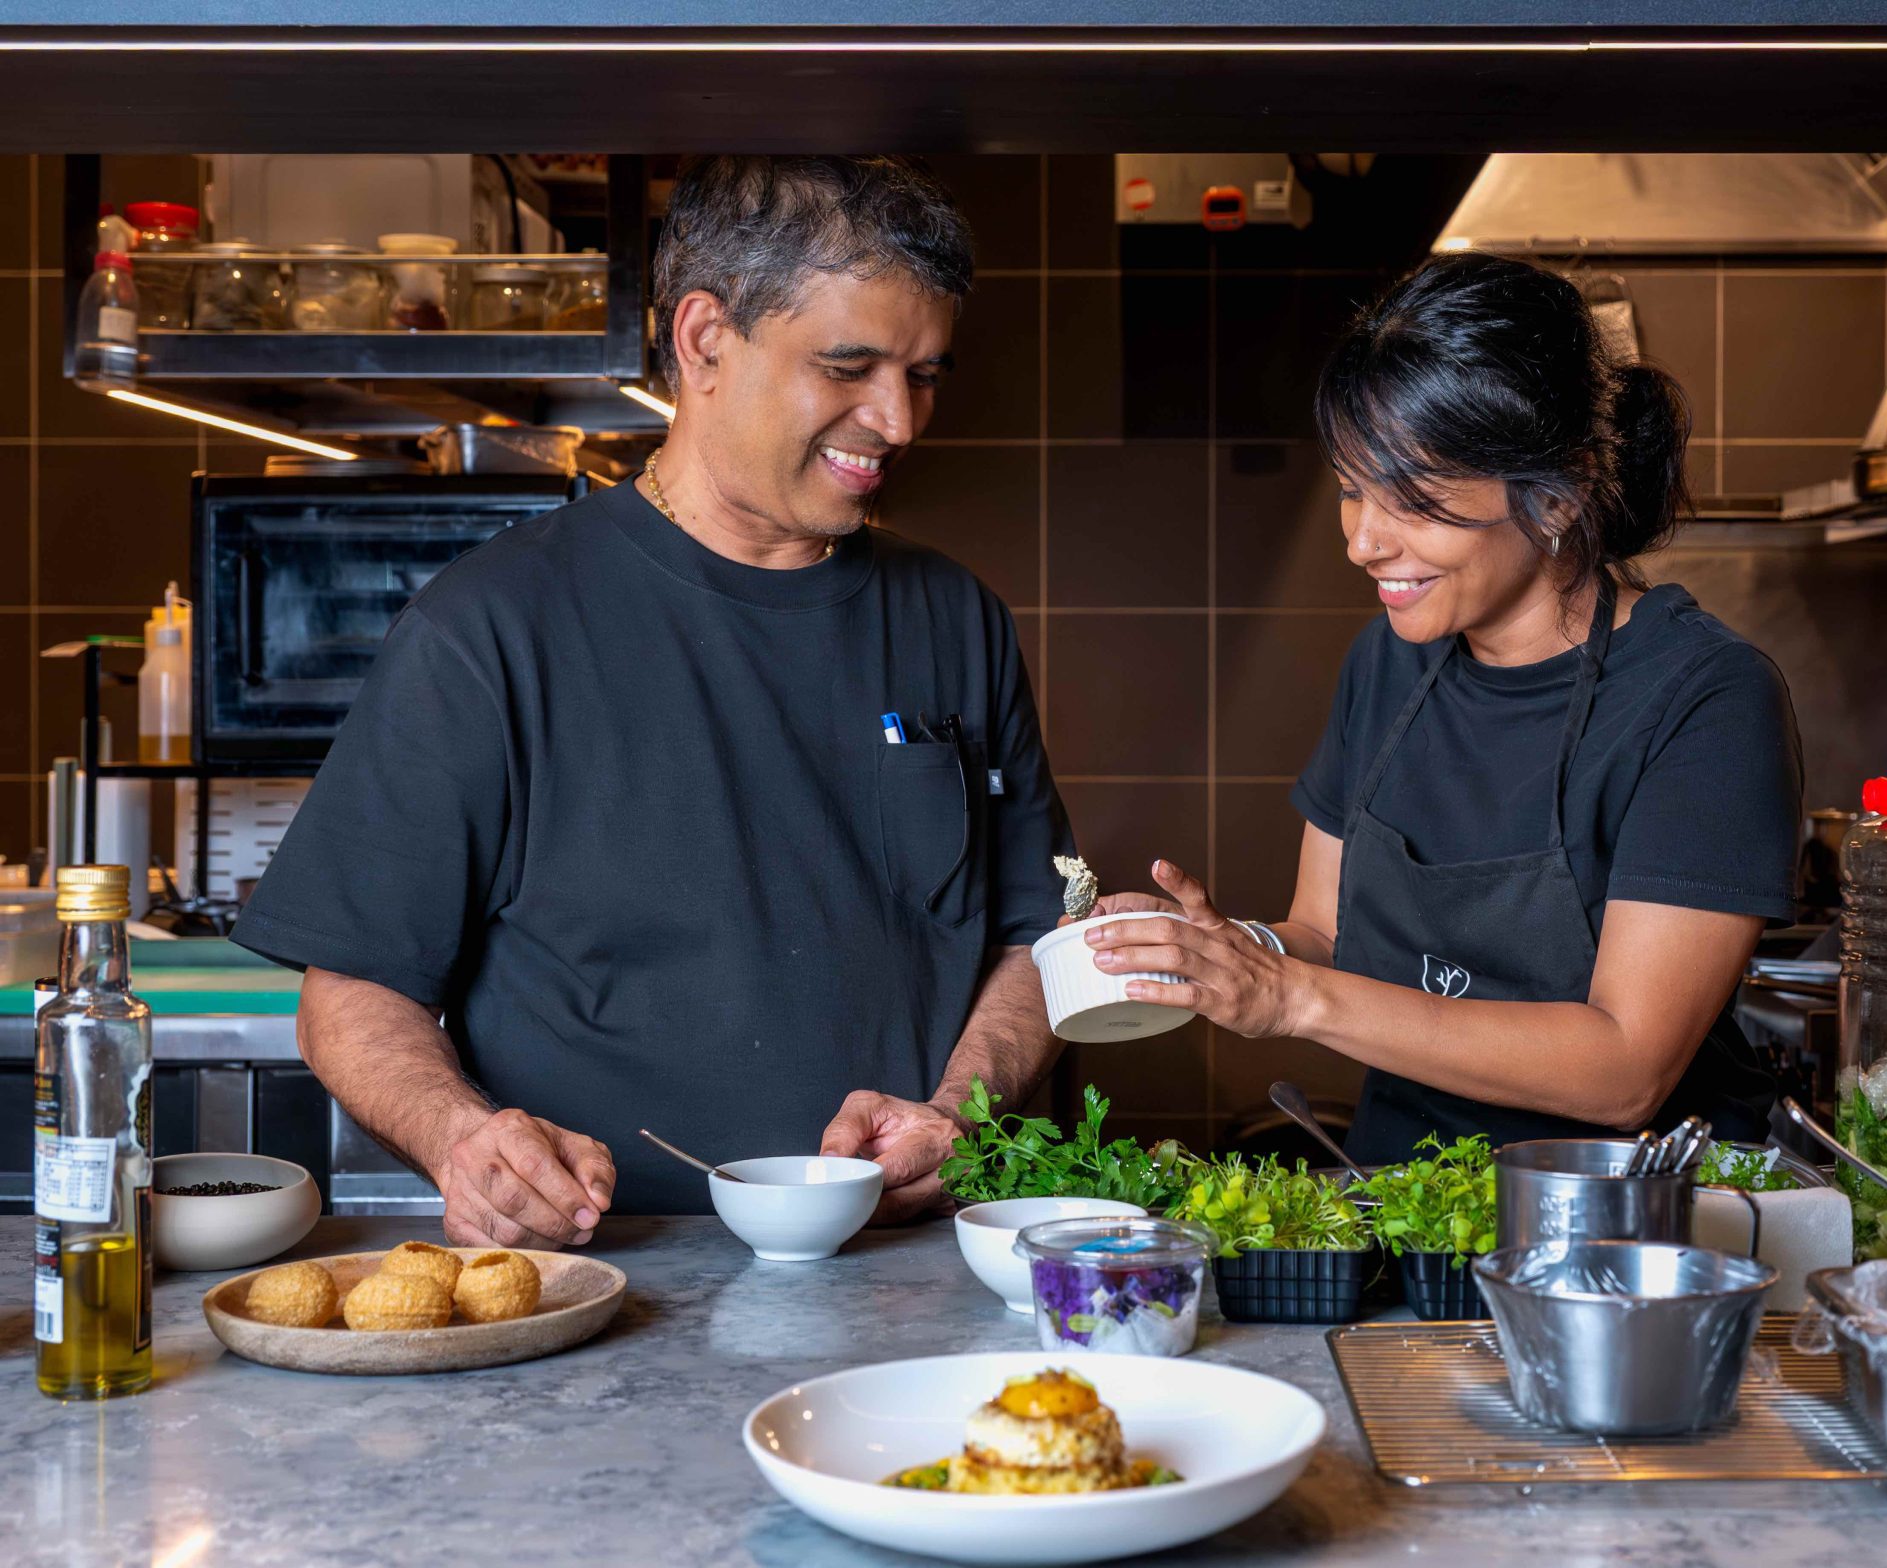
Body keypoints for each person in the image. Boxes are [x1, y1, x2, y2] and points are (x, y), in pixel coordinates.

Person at [232, 156, 1075, 1241]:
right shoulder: (490, 626)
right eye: (850, 365)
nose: (898, 421)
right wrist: (463, 1137)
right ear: (704, 340)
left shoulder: (957, 618)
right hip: (612, 1274)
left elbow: (1036, 935)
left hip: (908, 1269)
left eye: (923, 374)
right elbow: (349, 995)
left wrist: (960, 1110)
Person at [1084, 252, 1802, 1164]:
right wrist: (1220, 952)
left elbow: (1629, 1070)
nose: (1363, 541)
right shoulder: (1388, 662)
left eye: (1414, 502)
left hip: (1628, 1224)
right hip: (1411, 1198)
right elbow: (1326, 934)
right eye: (1350, 489)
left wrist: (1289, 997)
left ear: (1559, 493)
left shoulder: (1704, 699)